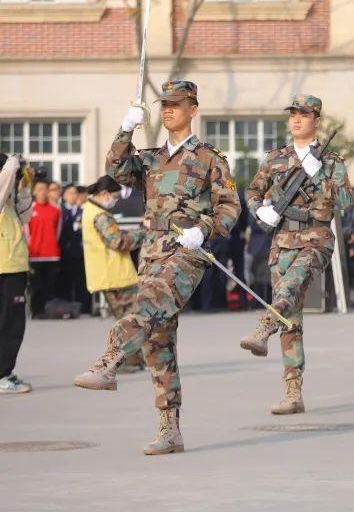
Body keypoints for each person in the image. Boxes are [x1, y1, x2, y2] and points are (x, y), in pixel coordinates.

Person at [73, 80, 240, 455]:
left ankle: (109, 361)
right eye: (164, 104)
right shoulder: (149, 158)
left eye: (176, 105)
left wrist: (204, 229)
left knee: (147, 308)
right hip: (152, 253)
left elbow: (230, 205)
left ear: (193, 109)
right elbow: (115, 168)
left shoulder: (209, 158)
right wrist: (126, 127)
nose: (168, 110)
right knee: (157, 337)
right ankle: (170, 428)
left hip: (187, 252)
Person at [241, 94, 353, 415]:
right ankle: (293, 392)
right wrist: (260, 210)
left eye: (304, 114)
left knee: (289, 291)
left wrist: (318, 174)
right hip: (282, 241)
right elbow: (252, 191)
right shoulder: (276, 158)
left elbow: (345, 201)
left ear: (317, 119)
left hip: (315, 237)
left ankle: (263, 326)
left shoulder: (331, 160)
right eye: (293, 114)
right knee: (290, 316)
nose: (297, 120)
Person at [81, 176, 145, 372]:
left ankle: (133, 361)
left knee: (127, 319)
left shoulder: (90, 210)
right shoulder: (100, 216)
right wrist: (144, 232)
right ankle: (121, 361)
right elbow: (118, 241)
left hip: (110, 274)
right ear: (104, 194)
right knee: (129, 321)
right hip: (115, 275)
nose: (116, 201)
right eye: (115, 197)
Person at [0, 154, 33, 394]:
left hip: (14, 267)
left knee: (13, 323)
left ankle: (5, 372)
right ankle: (2, 374)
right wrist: (14, 163)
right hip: (5, 269)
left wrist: (23, 186)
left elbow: (26, 215)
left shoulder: (8, 205)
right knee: (9, 324)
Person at [26, 178, 61, 318]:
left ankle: (49, 310)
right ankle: (36, 311)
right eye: (39, 189)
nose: (42, 192)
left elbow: (58, 232)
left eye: (45, 189)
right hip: (35, 255)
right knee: (36, 286)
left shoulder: (56, 209)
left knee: (50, 285)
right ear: (33, 192)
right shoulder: (29, 209)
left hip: (52, 254)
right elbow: (26, 233)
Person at [58, 183, 90, 314]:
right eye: (70, 193)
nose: (73, 196)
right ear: (64, 195)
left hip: (80, 251)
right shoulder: (60, 211)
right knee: (65, 280)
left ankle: (83, 307)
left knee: (81, 280)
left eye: (75, 193)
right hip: (64, 251)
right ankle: (65, 307)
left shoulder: (83, 211)